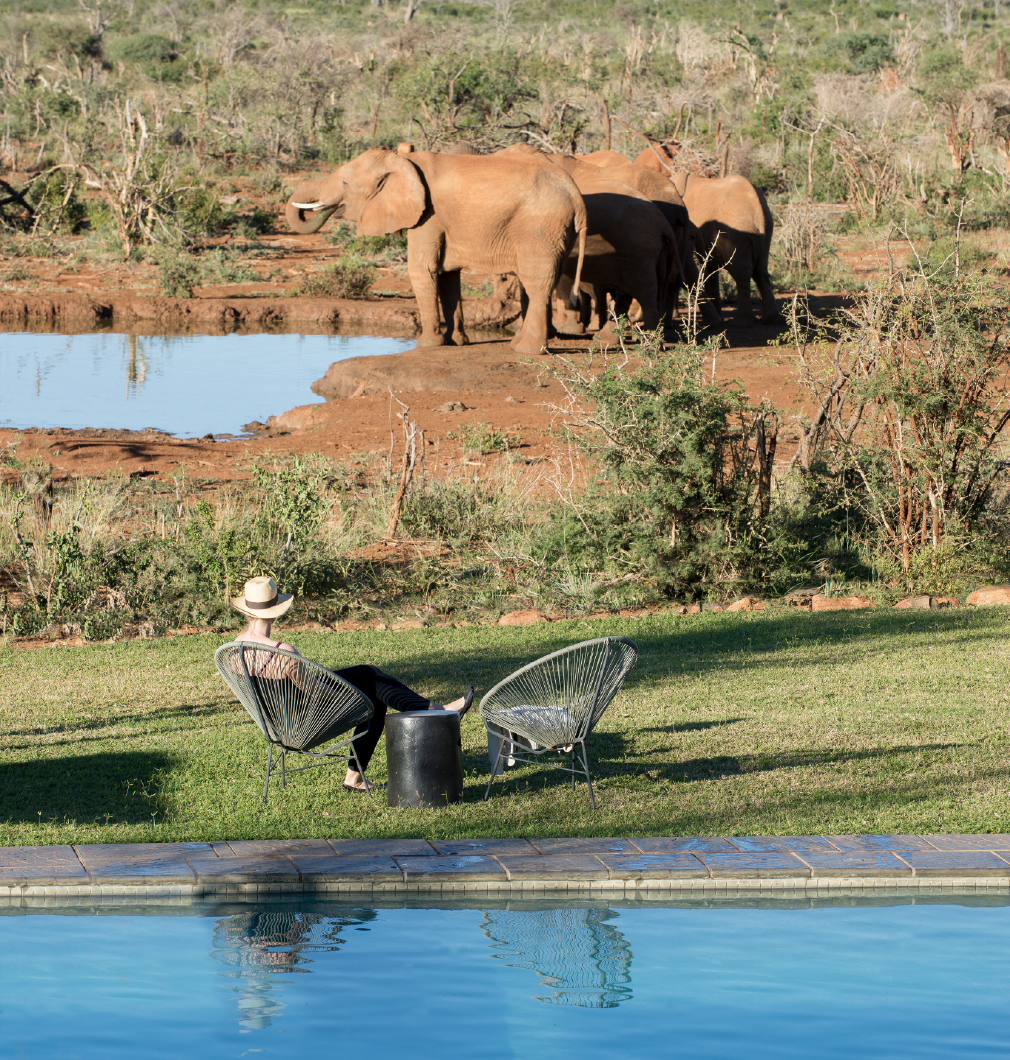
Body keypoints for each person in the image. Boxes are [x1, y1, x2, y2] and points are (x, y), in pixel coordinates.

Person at [229, 576, 473, 791]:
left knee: (366, 673)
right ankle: (436, 713)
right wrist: (351, 695)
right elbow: (318, 694)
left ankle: (433, 710)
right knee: (373, 693)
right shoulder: (284, 653)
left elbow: (286, 690)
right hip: (303, 725)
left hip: (278, 725)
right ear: (275, 610)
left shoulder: (233, 650)